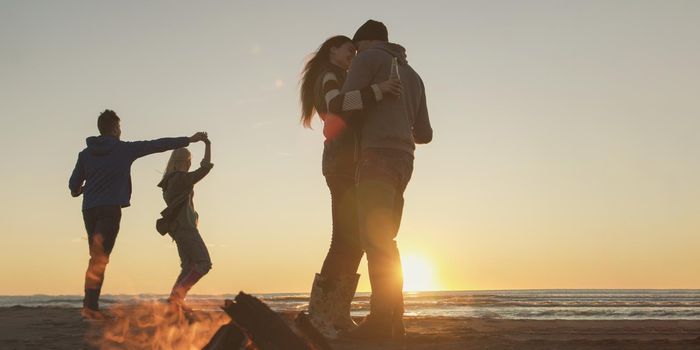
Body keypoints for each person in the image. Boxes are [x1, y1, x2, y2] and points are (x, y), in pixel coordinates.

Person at [298, 35, 401, 336]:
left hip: (348, 165)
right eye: (349, 50)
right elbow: (335, 105)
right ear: (332, 49)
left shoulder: (339, 75)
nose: (353, 56)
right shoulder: (328, 76)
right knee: (343, 240)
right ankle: (319, 316)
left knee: (353, 240)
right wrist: (378, 90)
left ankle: (337, 313)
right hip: (341, 166)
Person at [340, 20, 433, 340]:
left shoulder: (368, 59)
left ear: (364, 43)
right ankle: (394, 319)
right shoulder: (415, 76)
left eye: (355, 50)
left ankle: (382, 318)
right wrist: (399, 117)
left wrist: (372, 97)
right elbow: (425, 134)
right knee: (386, 240)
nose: (352, 58)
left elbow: (342, 104)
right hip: (404, 161)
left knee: (376, 241)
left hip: (375, 157)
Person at [68, 109, 208, 320]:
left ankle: (90, 305)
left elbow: (72, 186)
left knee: (96, 257)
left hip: (89, 209)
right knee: (100, 258)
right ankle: (90, 308)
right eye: (119, 128)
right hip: (109, 209)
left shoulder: (85, 154)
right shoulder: (124, 149)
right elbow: (156, 144)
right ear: (115, 129)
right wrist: (189, 139)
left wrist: (80, 190)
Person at [157, 134, 214, 313]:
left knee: (188, 266)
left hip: (177, 229)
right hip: (186, 227)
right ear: (185, 161)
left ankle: (174, 302)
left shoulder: (168, 182)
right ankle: (176, 298)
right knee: (204, 263)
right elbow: (204, 169)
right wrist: (207, 144)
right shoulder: (180, 179)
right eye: (189, 161)